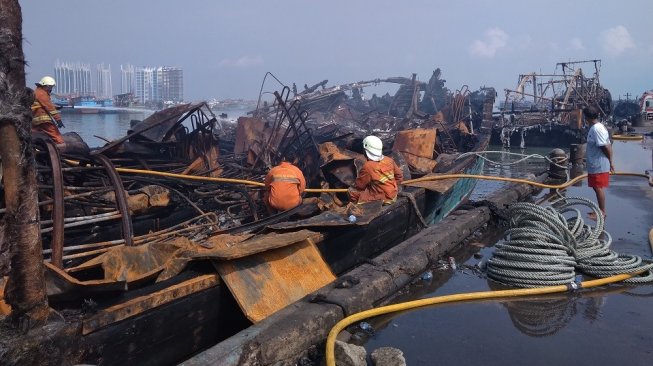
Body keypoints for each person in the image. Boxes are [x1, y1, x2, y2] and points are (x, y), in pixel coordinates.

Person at [348, 135, 404, 205]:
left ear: (365, 151)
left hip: (381, 198)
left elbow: (359, 186)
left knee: (352, 192)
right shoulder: (388, 160)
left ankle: (360, 210)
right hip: (393, 195)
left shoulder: (368, 166)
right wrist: (391, 186)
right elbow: (399, 176)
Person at [584, 105, 615, 220]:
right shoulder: (597, 127)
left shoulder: (597, 129)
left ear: (586, 117)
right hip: (595, 163)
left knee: (598, 187)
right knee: (596, 187)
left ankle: (602, 213)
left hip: (598, 164)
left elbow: (606, 147)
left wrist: (610, 162)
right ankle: (600, 210)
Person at [31, 76, 65, 146]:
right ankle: (60, 151)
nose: (51, 89)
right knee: (56, 135)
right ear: (46, 86)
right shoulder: (42, 93)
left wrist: (56, 107)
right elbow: (49, 107)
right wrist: (58, 120)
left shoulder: (37, 92)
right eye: (51, 87)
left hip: (35, 120)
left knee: (33, 134)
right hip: (44, 120)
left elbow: (42, 105)